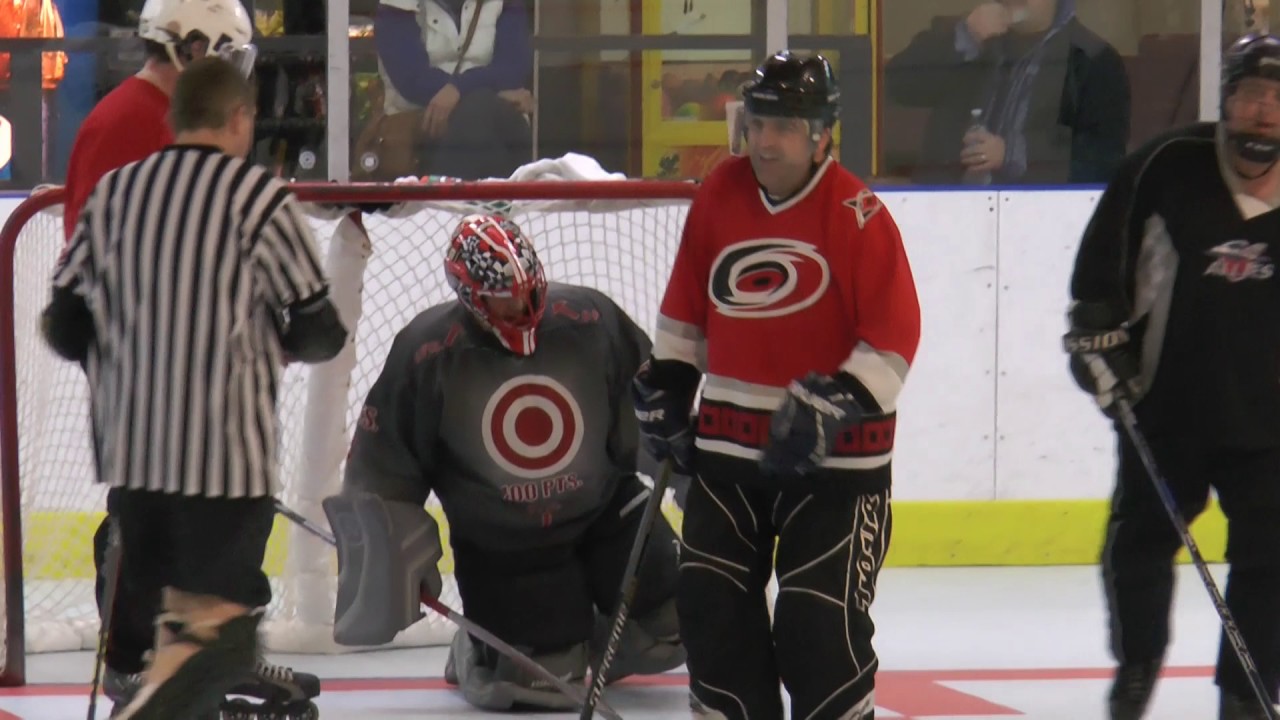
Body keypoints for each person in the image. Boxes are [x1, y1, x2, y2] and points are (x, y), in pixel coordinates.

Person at [41, 56, 346, 720]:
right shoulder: (257, 197)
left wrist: (128, 364)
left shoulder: (115, 193)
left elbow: (62, 323)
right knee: (222, 631)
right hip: (225, 458)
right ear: (238, 118)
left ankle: (156, 689)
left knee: (171, 628)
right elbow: (321, 330)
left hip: (132, 457)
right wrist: (275, 343)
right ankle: (161, 699)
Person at [633, 50, 921, 720]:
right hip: (729, 457)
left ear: (822, 135)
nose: (764, 141)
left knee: (819, 629)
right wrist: (670, 382)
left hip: (836, 470)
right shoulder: (720, 194)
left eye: (784, 127)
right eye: (757, 122)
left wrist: (836, 402)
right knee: (712, 612)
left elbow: (894, 336)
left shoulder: (857, 214)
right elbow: (686, 312)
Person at [334, 213, 685, 712]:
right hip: (506, 545)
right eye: (501, 298)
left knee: (676, 626)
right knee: (540, 681)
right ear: (469, 295)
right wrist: (390, 559)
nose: (518, 308)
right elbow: (383, 464)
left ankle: (581, 630)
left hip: (607, 513)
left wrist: (690, 475)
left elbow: (649, 412)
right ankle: (485, 650)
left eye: (525, 291)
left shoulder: (591, 319)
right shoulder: (427, 352)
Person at [1064, 33, 1280, 720]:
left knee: (1273, 559)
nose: (1263, 112)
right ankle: (1136, 670)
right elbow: (1100, 279)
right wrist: (1096, 340)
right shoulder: (1164, 165)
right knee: (1138, 547)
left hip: (1270, 425)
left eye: (1278, 99)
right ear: (1227, 99)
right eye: (1251, 94)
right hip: (1164, 408)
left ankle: (1247, 695)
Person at [883, 0, 1129, 185]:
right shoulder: (971, 37)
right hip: (947, 206)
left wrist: (1012, 153)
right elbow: (899, 86)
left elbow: (1102, 159)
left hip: (1041, 215)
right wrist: (966, 36)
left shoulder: (1092, 59)